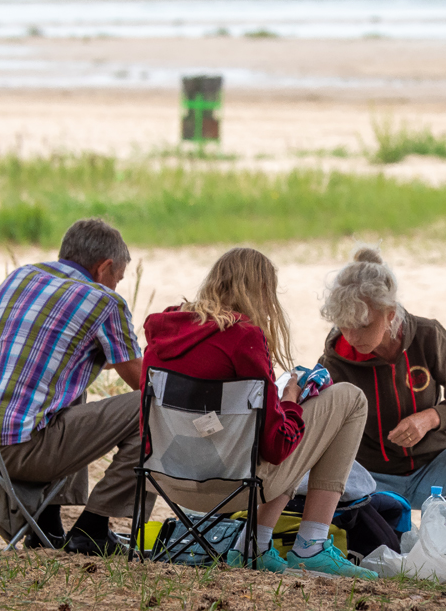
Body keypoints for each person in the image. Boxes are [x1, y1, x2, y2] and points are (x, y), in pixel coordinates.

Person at [141, 247, 376, 579]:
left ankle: (255, 546)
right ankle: (310, 545)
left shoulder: (163, 329)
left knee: (280, 424)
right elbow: (276, 446)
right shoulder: (244, 337)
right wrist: (291, 401)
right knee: (349, 399)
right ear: (261, 292)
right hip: (233, 487)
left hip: (165, 477)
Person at [0, 218, 150, 555]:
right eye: (117, 278)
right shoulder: (104, 300)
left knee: (73, 389)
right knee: (150, 407)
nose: (116, 286)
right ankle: (92, 529)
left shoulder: (21, 277)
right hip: (16, 452)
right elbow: (140, 380)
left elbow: (55, 351)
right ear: (104, 267)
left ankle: (46, 527)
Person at [318, 246, 446, 510]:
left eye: (363, 325)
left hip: (435, 464)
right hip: (369, 477)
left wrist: (430, 418)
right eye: (344, 324)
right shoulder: (335, 358)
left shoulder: (429, 336)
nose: (352, 337)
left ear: (390, 314)